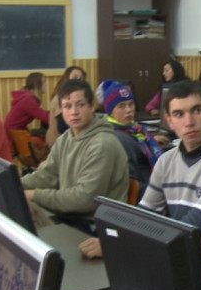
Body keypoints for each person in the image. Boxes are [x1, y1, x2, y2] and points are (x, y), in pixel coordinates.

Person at [79, 80, 201, 258]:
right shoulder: (166, 161)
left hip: (200, 258)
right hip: (170, 251)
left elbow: (193, 228)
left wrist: (120, 244)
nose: (189, 122)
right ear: (169, 121)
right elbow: (145, 216)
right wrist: (114, 240)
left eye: (196, 110)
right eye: (179, 114)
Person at [21, 79, 129, 233]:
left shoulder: (103, 144)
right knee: (8, 208)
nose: (74, 112)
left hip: (92, 226)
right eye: (67, 106)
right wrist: (13, 185)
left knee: (20, 216)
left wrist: (34, 195)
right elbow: (46, 175)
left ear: (93, 106)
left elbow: (85, 199)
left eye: (80, 105)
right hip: (69, 217)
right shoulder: (66, 138)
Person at [101, 79, 164, 199]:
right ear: (110, 112)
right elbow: (133, 185)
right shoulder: (119, 138)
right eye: (122, 106)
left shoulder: (136, 130)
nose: (129, 110)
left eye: (131, 104)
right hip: (147, 196)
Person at [47, 66, 87, 147]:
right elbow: (63, 127)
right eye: (75, 77)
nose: (78, 81)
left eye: (81, 78)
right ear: (66, 79)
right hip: (60, 144)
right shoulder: (60, 98)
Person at [4, 72, 49, 139]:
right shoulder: (29, 100)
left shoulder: (27, 97)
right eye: (44, 82)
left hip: (13, 133)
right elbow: (45, 117)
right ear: (37, 85)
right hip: (13, 137)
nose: (46, 84)